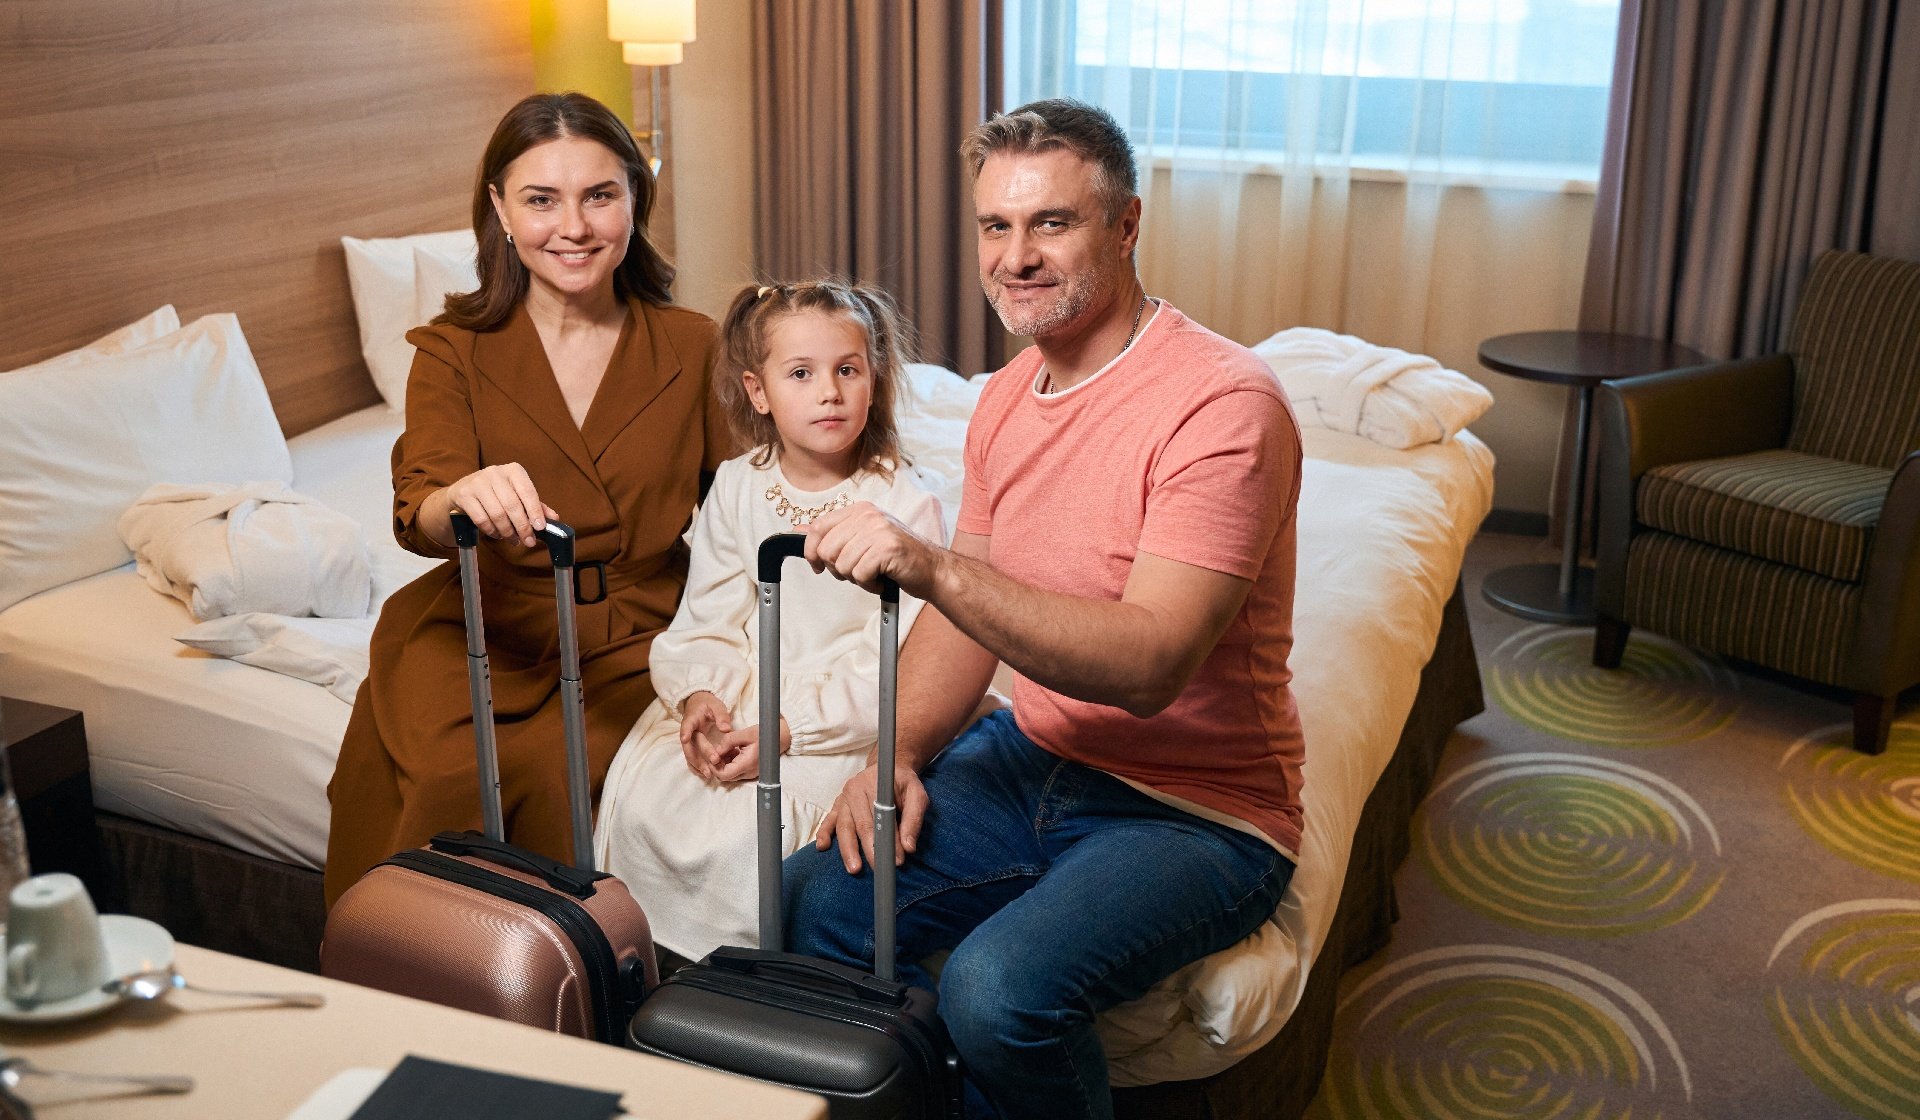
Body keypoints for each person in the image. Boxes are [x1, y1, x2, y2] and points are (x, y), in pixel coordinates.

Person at [782, 98, 1307, 1118]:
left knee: (997, 989)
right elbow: (966, 622)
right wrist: (895, 748)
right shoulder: (1007, 397)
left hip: (1198, 810)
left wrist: (930, 567)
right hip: (1036, 756)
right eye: (995, 226)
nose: (1016, 256)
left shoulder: (1224, 405)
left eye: (1051, 223)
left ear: (1126, 225)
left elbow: (1152, 661)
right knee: (821, 896)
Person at [324, 92, 730, 906]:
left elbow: (743, 509)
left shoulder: (693, 345)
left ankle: (546, 995)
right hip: (484, 626)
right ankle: (417, 979)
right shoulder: (452, 351)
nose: (572, 227)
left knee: (551, 773)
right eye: (541, 199)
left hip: (634, 632)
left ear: (634, 202)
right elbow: (420, 514)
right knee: (451, 777)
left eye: (599, 196)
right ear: (500, 211)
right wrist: (462, 496)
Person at [593, 279, 948, 959]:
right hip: (743, 696)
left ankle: (754, 986)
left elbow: (896, 661)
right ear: (759, 392)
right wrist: (702, 697)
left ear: (873, 379)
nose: (830, 392)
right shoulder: (736, 485)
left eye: (848, 370)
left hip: (839, 716)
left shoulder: (902, 505)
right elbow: (708, 616)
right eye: (801, 374)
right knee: (650, 802)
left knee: (760, 832)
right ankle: (653, 975)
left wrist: (789, 728)